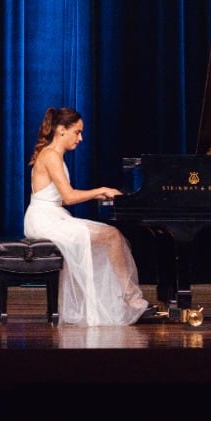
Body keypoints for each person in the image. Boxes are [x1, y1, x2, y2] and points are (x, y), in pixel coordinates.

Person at [24, 107, 154, 325]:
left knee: (111, 237)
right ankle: (129, 298)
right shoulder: (51, 156)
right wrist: (100, 190)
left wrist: (98, 193)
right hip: (44, 220)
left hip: (52, 216)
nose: (81, 138)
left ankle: (124, 298)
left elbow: (63, 199)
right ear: (62, 130)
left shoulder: (53, 155)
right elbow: (69, 197)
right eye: (77, 132)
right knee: (111, 236)